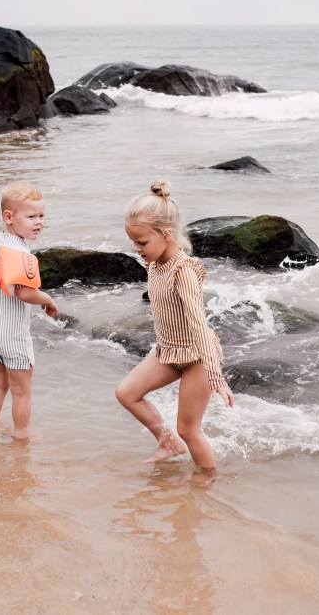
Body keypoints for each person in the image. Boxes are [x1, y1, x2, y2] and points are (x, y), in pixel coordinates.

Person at [115, 180, 234, 470]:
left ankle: (207, 481)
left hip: (198, 359)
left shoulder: (184, 271)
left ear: (167, 234)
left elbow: (199, 324)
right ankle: (168, 443)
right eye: (134, 242)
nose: (137, 249)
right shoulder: (155, 264)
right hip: (169, 351)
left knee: (188, 430)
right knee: (127, 393)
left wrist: (216, 375)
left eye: (142, 243)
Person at [0, 182, 58, 441]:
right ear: (8, 217)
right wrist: (48, 299)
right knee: (21, 392)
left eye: (41, 216)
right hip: (11, 336)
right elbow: (24, 293)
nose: (39, 222)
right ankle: (22, 439)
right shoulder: (18, 251)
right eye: (31, 217)